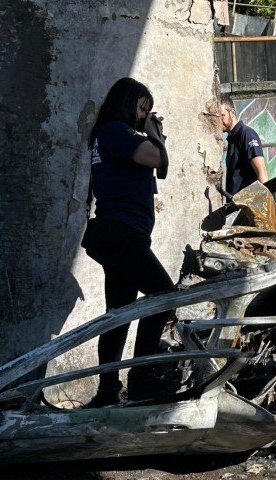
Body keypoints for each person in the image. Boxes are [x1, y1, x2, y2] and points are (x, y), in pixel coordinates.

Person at [81, 77, 174, 407]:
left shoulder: (110, 134)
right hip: (120, 231)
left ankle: (107, 391)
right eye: (141, 107)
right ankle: (141, 380)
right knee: (163, 296)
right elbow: (158, 160)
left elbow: (157, 169)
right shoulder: (117, 132)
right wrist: (155, 135)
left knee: (118, 313)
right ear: (127, 103)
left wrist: (153, 135)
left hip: (115, 233)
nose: (144, 115)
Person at [219, 95, 268, 195]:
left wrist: (264, 206)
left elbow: (261, 172)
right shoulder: (232, 138)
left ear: (232, 112)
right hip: (237, 206)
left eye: (222, 115)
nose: (219, 121)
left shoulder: (246, 134)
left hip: (248, 205)